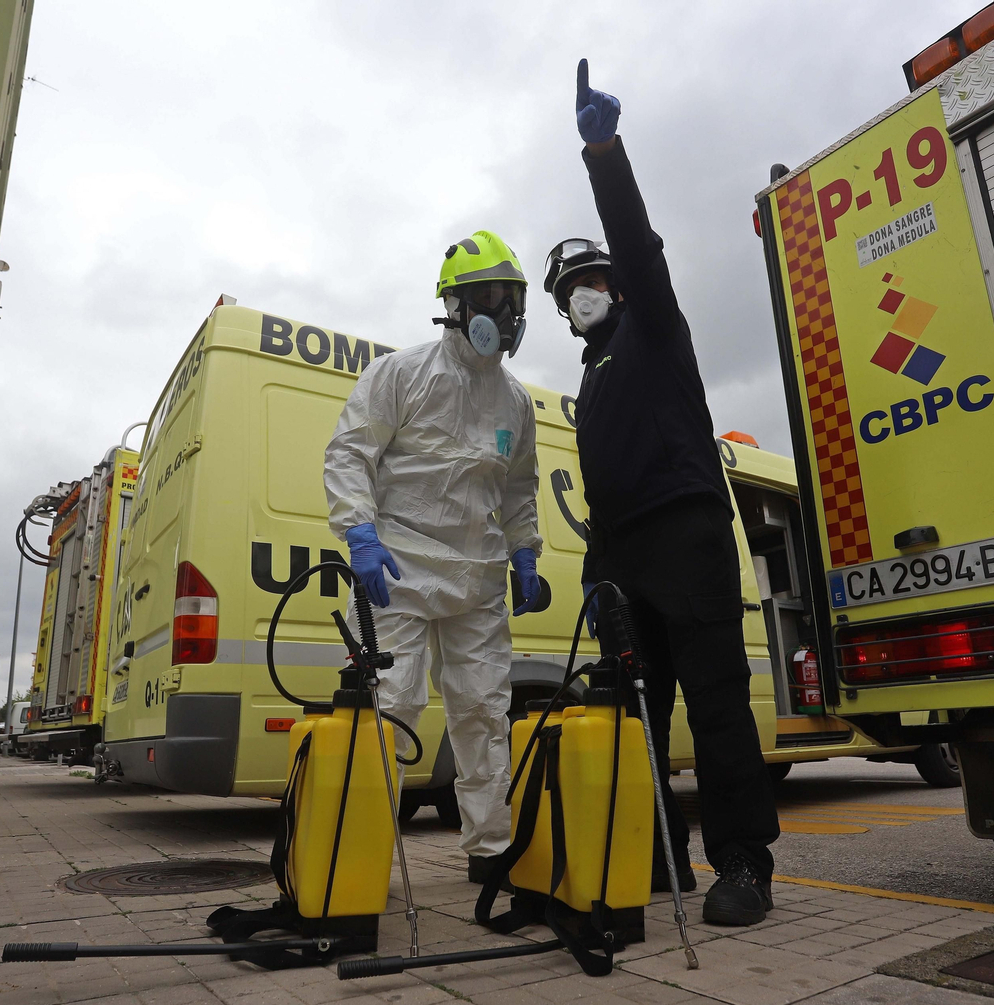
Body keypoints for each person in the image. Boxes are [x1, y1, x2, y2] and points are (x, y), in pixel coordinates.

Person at [546, 59, 780, 926]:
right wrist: (595, 574)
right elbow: (602, 492)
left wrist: (605, 153)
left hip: (688, 539)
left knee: (717, 708)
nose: (582, 297)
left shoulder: (654, 328)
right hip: (626, 560)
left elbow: (639, 246)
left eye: (590, 282)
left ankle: (744, 865)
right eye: (570, 293)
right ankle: (658, 859)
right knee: (637, 716)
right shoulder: (591, 382)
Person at [325, 231, 543, 885]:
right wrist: (359, 533)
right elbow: (350, 453)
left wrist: (525, 553)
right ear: (453, 304)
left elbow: (518, 489)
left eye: (509, 300)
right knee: (391, 709)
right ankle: (359, 856)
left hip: (478, 578)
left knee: (482, 713)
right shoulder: (402, 374)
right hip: (401, 569)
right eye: (486, 298)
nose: (501, 315)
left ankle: (488, 850)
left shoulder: (516, 401)